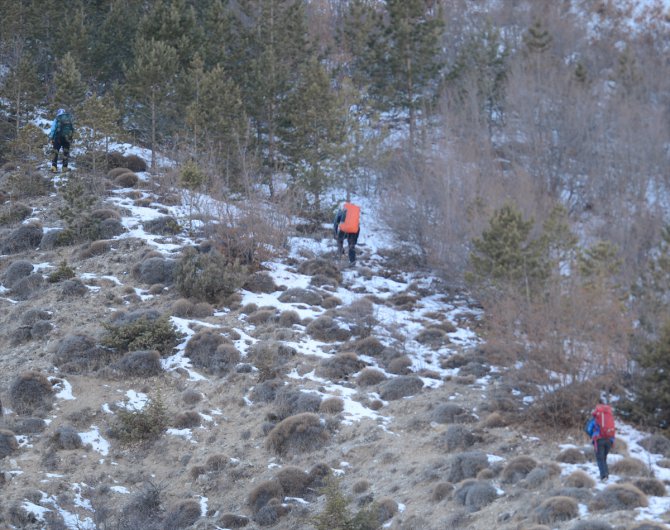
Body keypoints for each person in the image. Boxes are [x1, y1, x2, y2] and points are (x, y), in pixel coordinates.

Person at [585, 401, 616, 482]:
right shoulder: (609, 417)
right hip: (609, 440)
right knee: (604, 458)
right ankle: (606, 475)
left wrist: (592, 434)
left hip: (599, 440)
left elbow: (588, 429)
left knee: (600, 458)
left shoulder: (596, 418)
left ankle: (603, 476)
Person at [48, 108, 74, 173]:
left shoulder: (57, 119)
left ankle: (54, 167)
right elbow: (72, 129)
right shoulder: (69, 119)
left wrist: (51, 138)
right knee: (66, 152)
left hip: (58, 138)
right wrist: (71, 137)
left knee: (55, 152)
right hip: (67, 138)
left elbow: (53, 129)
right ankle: (65, 168)